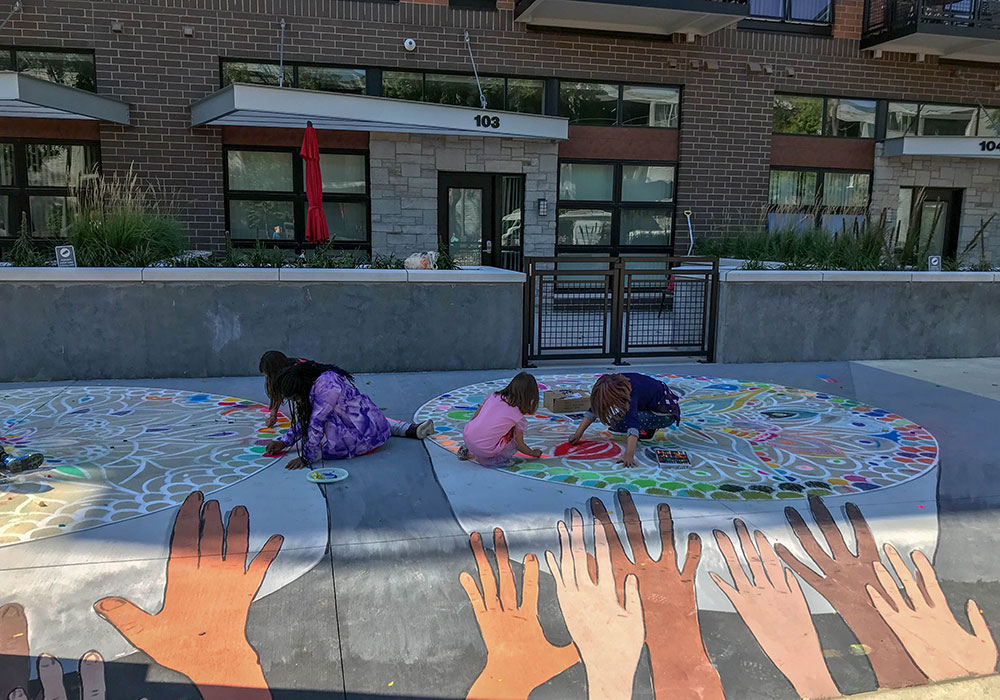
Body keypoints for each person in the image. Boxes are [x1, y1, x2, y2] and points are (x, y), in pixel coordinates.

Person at [263, 360, 434, 469]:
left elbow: (314, 423)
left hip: (363, 444)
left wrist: (307, 457)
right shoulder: (324, 378)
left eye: (294, 398)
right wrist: (283, 441)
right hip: (377, 426)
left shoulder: (324, 391)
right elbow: (306, 418)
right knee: (364, 415)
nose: (295, 401)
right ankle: (406, 429)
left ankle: (320, 453)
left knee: (325, 429)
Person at [569, 373, 681, 468]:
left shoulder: (631, 393)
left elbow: (632, 422)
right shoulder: (617, 383)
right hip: (650, 405)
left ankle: (648, 430)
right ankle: (648, 427)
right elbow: (594, 408)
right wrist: (577, 435)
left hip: (666, 414)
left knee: (619, 422)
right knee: (619, 420)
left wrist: (629, 455)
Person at [458, 372, 543, 467]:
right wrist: (533, 453)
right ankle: (496, 460)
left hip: (468, 437)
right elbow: (520, 445)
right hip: (485, 450)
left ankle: (470, 449)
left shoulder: (492, 396)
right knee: (512, 437)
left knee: (485, 423)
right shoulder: (517, 416)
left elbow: (475, 417)